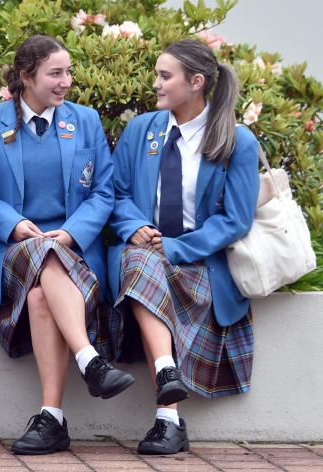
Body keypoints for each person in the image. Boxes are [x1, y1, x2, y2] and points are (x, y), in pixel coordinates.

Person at [0, 34, 132, 455]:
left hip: (74, 251)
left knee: (42, 297)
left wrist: (71, 233)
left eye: (69, 72)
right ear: (27, 77)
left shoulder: (85, 120)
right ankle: (89, 360)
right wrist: (14, 223)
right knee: (42, 258)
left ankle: (51, 417)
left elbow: (103, 192)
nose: (67, 82)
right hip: (11, 250)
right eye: (55, 73)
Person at [106, 39, 259, 455]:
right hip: (144, 256)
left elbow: (235, 220)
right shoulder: (141, 130)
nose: (154, 83)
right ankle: (168, 398)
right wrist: (135, 225)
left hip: (201, 265)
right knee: (138, 260)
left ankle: (168, 408)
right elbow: (115, 194)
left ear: (195, 82)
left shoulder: (236, 140)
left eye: (164, 76)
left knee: (142, 264)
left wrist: (174, 248)